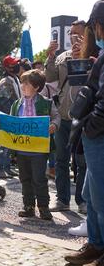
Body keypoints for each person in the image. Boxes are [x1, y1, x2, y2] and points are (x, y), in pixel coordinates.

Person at [64, 0, 104, 266]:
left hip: (98, 133)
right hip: (94, 134)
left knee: (101, 197)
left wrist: (91, 124)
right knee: (91, 194)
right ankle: (96, 244)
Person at [0, 69, 60, 220]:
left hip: (39, 150)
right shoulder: (17, 104)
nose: (23, 86)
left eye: (26, 83)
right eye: (22, 83)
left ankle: (43, 207)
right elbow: (11, 122)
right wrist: (1, 124)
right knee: (25, 178)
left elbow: (56, 117)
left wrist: (54, 126)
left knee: (39, 178)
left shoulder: (46, 103)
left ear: (37, 87)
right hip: (21, 149)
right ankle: (29, 206)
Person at [45, 20, 87, 214]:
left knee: (81, 162)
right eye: (71, 33)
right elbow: (50, 78)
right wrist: (50, 56)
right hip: (63, 115)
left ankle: (82, 200)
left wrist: (84, 57)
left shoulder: (94, 56)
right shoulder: (63, 57)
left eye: (78, 33)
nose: (73, 37)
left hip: (84, 118)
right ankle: (62, 200)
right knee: (61, 160)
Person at [0, 55, 22, 179]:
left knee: (10, 144)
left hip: (14, 115)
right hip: (7, 116)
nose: (16, 66)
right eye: (13, 64)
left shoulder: (15, 78)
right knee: (4, 143)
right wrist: (10, 117)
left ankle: (7, 167)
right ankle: (0, 168)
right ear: (7, 67)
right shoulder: (5, 81)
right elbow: (3, 101)